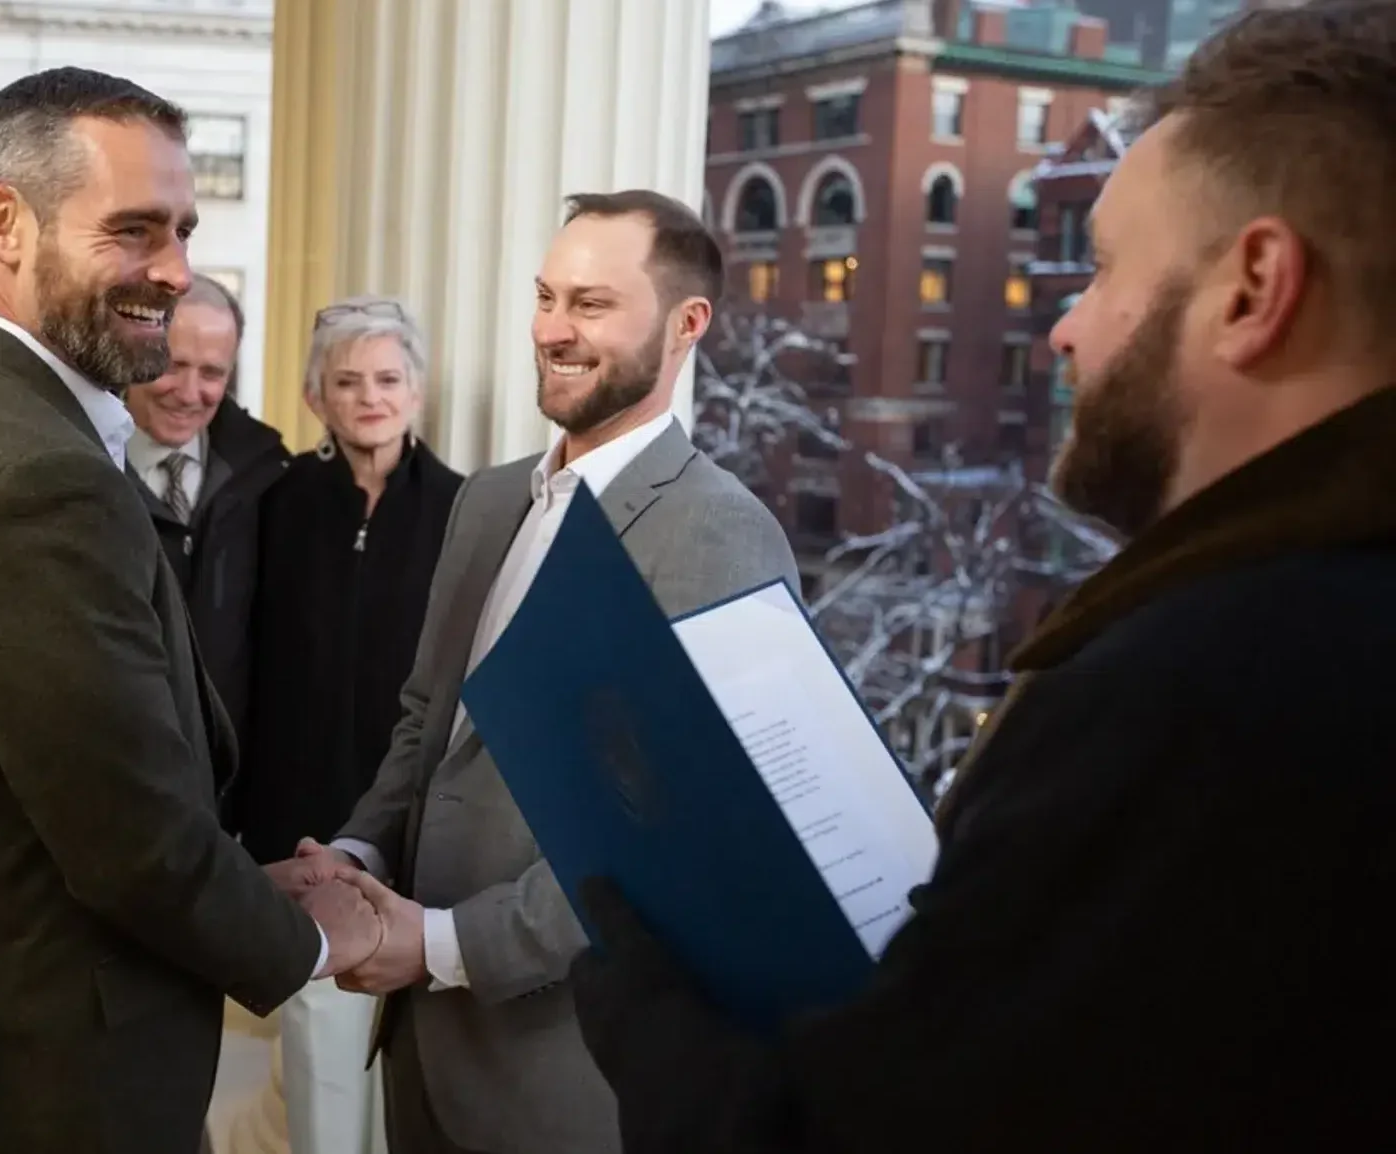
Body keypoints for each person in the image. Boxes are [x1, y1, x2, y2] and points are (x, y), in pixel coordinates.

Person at [568, 6, 1396, 1151]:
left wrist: (648, 1022)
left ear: (1253, 287)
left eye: (1103, 268)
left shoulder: (1186, 701)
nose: (1061, 327)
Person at [0, 67, 385, 1154]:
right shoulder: (37, 477)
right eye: (132, 230)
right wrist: (312, 939)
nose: (174, 271)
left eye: (180, 229)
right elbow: (133, 847)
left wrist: (238, 876)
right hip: (39, 1091)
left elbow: (51, 801)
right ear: (4, 223)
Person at [276, 190, 801, 1154]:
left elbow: (673, 841)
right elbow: (426, 725)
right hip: (421, 1057)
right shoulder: (484, 503)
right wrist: (352, 863)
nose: (552, 330)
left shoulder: (722, 536)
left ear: (687, 326)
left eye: (592, 305)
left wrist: (436, 947)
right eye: (546, 295)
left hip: (566, 1080)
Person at [237, 295, 462, 1154]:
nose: (370, 397)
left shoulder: (466, 509)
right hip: (301, 828)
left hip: (419, 836)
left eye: (388, 379)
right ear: (315, 398)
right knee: (322, 1071)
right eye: (347, 381)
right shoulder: (275, 503)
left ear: (417, 392)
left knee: (421, 1076)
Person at [124, 273, 287, 744]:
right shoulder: (78, 474)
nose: (190, 392)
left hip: (227, 788)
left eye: (212, 373)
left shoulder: (271, 478)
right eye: (172, 365)